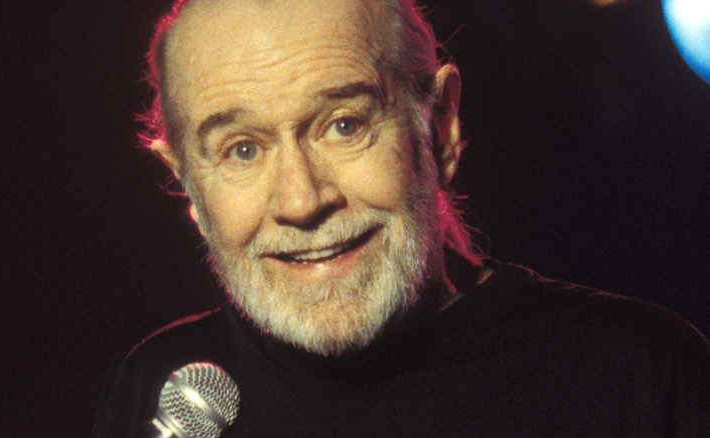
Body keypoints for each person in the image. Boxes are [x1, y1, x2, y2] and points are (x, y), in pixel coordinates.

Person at [93, 0, 709, 436]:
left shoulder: (638, 375)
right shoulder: (166, 392)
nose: (302, 201)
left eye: (344, 126)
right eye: (243, 150)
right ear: (188, 186)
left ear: (439, 127)